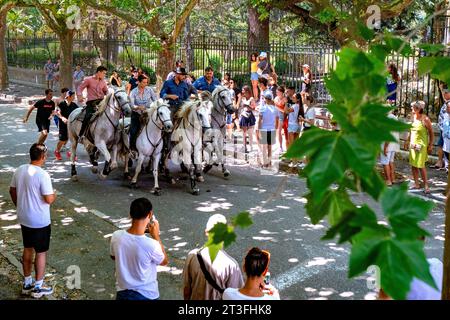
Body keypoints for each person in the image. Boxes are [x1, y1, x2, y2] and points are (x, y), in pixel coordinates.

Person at [9, 143, 57, 298]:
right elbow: (48, 199)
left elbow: (12, 190)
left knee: (27, 248)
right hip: (40, 220)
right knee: (41, 252)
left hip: (24, 217)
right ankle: (38, 286)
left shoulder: (19, 170)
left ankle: (27, 282)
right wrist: (54, 194)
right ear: (43, 156)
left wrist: (20, 205)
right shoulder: (43, 174)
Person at [110, 198, 168, 300]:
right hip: (147, 294)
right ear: (150, 215)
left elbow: (114, 256)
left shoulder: (116, 236)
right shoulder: (152, 244)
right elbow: (164, 261)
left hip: (122, 292)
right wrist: (156, 236)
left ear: (130, 214)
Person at [182, 214, 244, 300]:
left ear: (206, 232)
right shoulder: (231, 265)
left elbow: (186, 290)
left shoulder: (192, 256)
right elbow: (236, 296)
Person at [405, 101, 433, 194]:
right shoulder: (413, 118)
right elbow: (411, 130)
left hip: (422, 146)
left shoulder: (425, 119)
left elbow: (431, 133)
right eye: (412, 108)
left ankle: (426, 185)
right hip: (413, 145)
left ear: (419, 109)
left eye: (413, 108)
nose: (412, 109)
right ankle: (416, 183)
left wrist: (430, 145)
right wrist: (407, 140)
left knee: (421, 166)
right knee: (413, 165)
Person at [76, 66, 109, 143]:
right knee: (87, 117)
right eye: (104, 73)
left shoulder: (103, 82)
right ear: (99, 72)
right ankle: (81, 135)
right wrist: (79, 96)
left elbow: (106, 91)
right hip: (92, 103)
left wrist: (109, 94)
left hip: (102, 102)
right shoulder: (88, 80)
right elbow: (79, 88)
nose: (104, 75)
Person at [129, 74, 158, 154]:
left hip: (148, 114)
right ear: (138, 82)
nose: (146, 84)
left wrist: (155, 105)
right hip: (137, 114)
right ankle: (132, 148)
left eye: (146, 82)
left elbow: (155, 100)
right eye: (144, 82)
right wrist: (138, 107)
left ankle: (158, 148)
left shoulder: (149, 90)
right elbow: (131, 105)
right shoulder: (133, 92)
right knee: (134, 130)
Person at [54, 90, 78, 160]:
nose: (74, 97)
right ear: (68, 96)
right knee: (63, 140)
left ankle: (71, 153)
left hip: (71, 125)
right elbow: (57, 112)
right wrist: (62, 118)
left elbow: (79, 111)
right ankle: (57, 151)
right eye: (73, 96)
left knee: (73, 139)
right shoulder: (62, 104)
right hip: (63, 124)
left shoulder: (74, 105)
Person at [258, 91, 279, 168]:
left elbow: (260, 120)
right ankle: (269, 162)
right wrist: (275, 128)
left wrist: (259, 130)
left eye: (264, 98)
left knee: (264, 147)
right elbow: (277, 120)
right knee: (270, 147)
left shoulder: (262, 108)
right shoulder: (275, 109)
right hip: (272, 129)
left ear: (266, 99)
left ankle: (265, 163)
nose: (263, 100)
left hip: (264, 129)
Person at [380, 110, 400, 186]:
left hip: (387, 145)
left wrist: (385, 147)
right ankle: (393, 179)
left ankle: (388, 180)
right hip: (394, 144)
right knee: (391, 162)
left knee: (385, 163)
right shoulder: (394, 118)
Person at [433, 86, 450, 170]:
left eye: (446, 93)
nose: (444, 94)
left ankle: (445, 163)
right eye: (443, 93)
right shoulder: (446, 103)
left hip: (447, 130)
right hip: (443, 128)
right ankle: (440, 161)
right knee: (440, 144)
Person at [238, 85, 256, 153]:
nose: (242, 92)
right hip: (243, 116)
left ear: (247, 91)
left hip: (250, 116)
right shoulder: (243, 98)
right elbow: (241, 107)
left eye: (243, 90)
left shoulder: (251, 99)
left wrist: (247, 106)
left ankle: (251, 146)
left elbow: (254, 108)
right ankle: (244, 146)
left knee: (250, 133)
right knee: (244, 133)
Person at [274, 86, 288, 153]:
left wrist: (277, 107)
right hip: (276, 115)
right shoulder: (276, 98)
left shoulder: (285, 99)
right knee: (277, 131)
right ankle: (279, 146)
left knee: (280, 131)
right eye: (276, 92)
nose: (277, 93)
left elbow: (285, 111)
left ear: (282, 92)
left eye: (278, 92)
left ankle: (281, 147)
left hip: (282, 116)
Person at [441, 101, 450, 174]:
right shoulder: (445, 115)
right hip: (446, 143)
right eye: (447, 107)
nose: (447, 109)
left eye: (449, 107)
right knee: (447, 161)